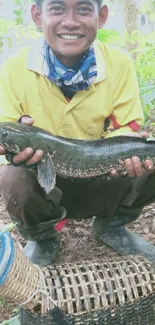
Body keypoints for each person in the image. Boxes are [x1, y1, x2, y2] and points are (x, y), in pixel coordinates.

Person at [0, 0, 155, 267]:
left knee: (148, 161)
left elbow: (126, 128)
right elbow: (8, 129)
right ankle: (43, 237)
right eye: (57, 8)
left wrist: (129, 149)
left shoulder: (118, 63)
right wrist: (13, 151)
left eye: (83, 8)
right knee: (12, 176)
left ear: (101, 16)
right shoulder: (14, 67)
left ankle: (111, 225)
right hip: (46, 183)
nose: (70, 21)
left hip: (102, 177)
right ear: (38, 15)